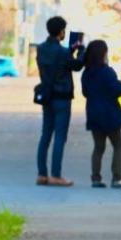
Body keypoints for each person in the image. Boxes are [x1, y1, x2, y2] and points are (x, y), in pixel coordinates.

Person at [34, 16, 85, 186]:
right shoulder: (63, 52)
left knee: (45, 135)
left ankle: (42, 174)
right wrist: (81, 50)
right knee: (60, 137)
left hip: (47, 97)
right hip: (62, 99)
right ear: (61, 31)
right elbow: (76, 65)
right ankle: (56, 175)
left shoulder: (41, 49)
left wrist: (69, 51)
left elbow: (57, 62)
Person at [80, 39, 121, 188]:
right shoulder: (107, 72)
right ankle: (117, 177)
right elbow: (116, 89)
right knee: (118, 145)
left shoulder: (87, 73)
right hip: (109, 114)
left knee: (98, 147)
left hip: (93, 114)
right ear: (103, 54)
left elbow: (85, 92)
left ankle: (95, 178)